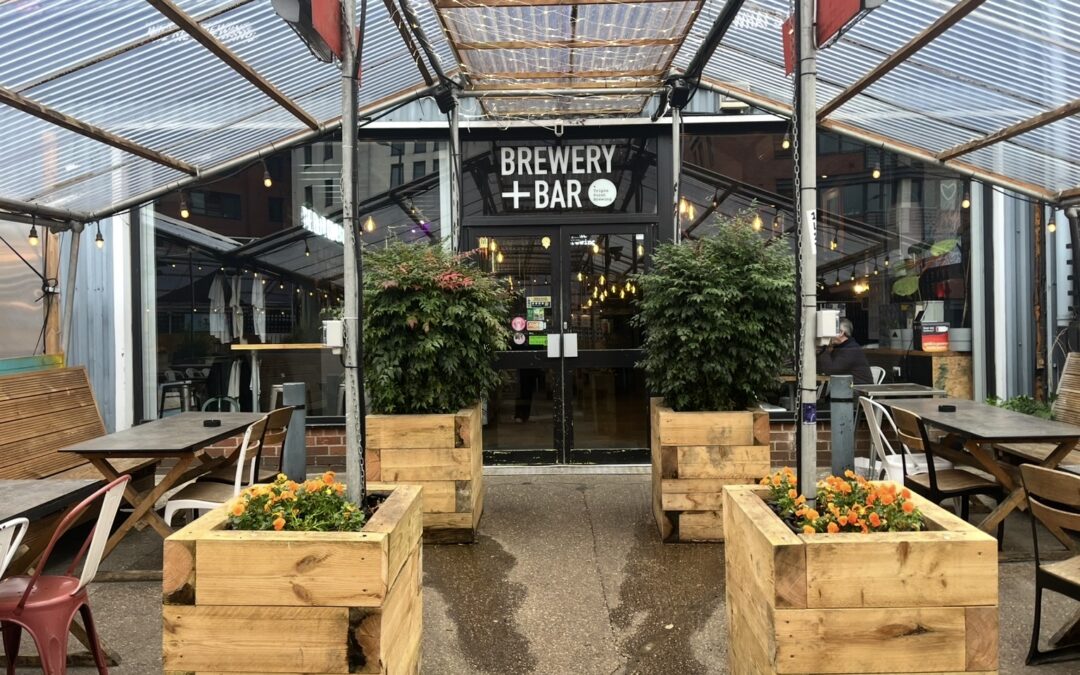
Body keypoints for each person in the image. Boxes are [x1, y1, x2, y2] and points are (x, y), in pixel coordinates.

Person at [818, 318, 873, 385]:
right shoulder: (841, 347)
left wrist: (826, 348)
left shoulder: (851, 349)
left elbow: (831, 370)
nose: (829, 335)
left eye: (831, 332)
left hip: (859, 388)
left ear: (841, 333)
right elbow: (823, 368)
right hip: (846, 387)